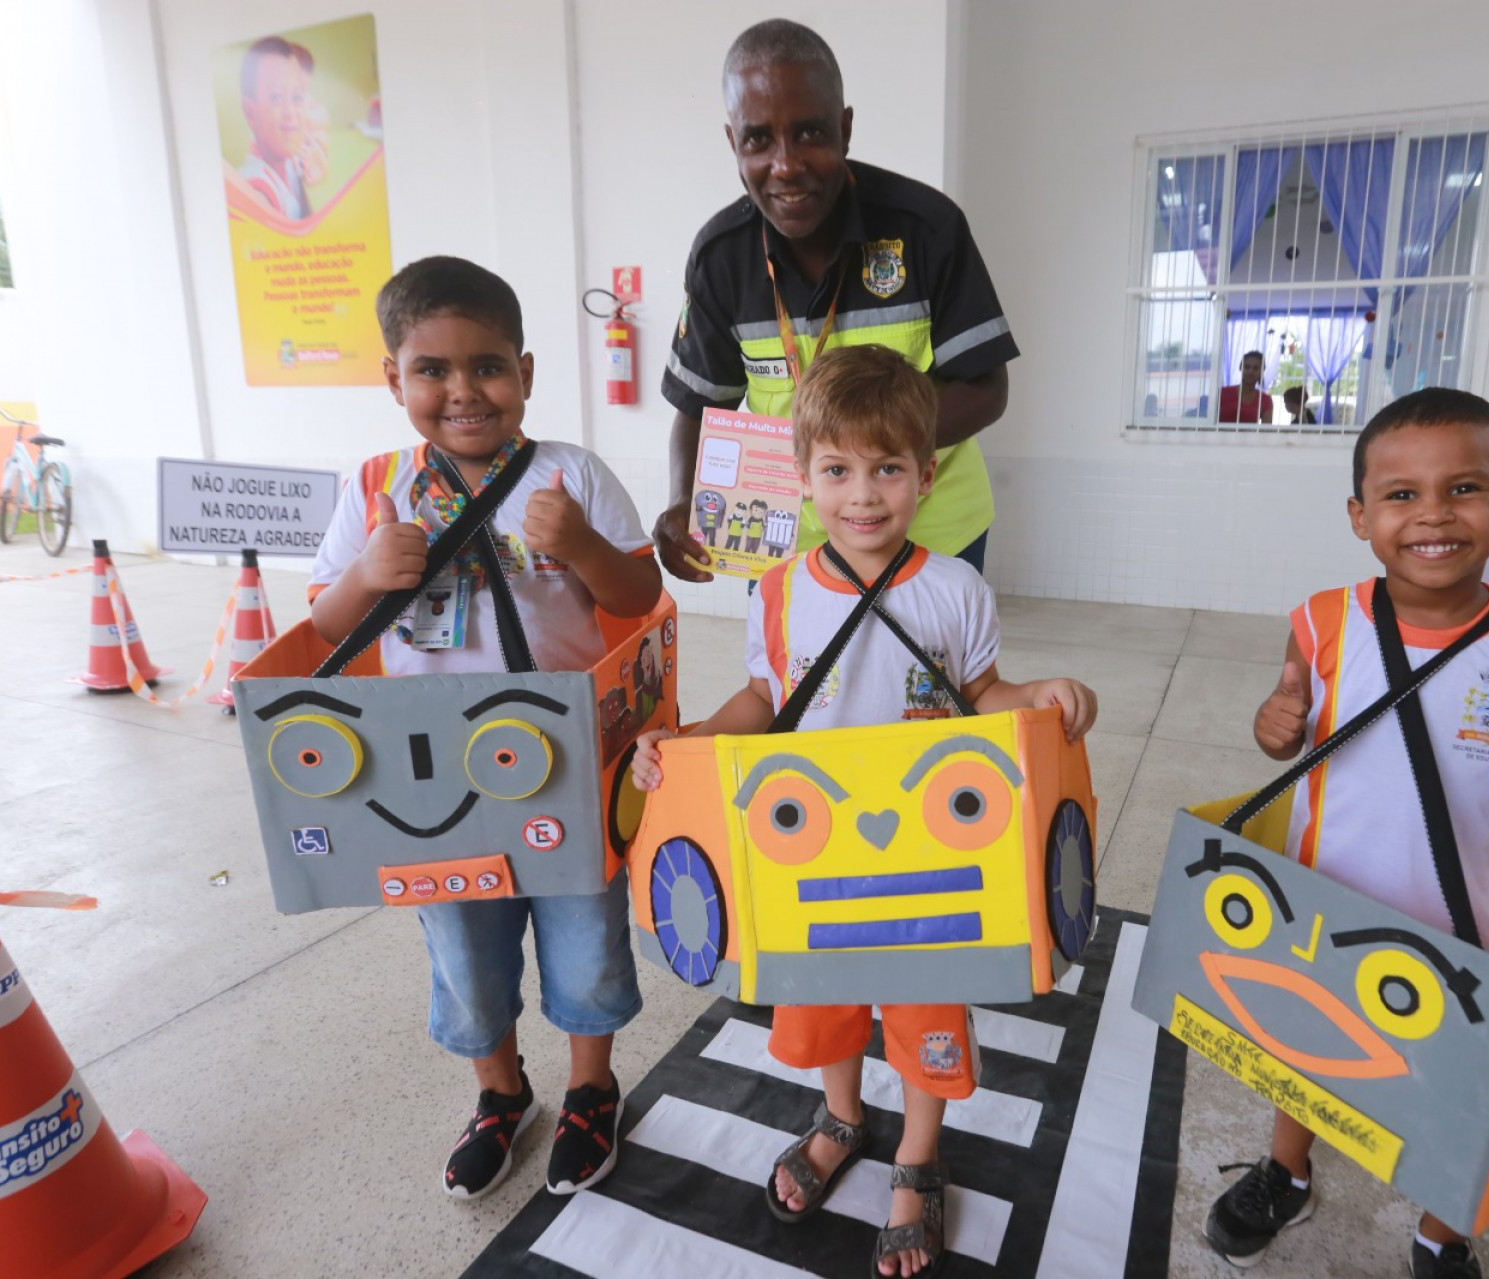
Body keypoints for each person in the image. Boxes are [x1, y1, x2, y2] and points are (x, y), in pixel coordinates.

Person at [631, 346, 1097, 1277]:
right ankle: (841, 1116)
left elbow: (983, 694)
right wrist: (690, 740)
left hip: (927, 862)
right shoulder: (778, 592)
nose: (864, 494)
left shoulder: (955, 588)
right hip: (811, 862)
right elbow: (763, 699)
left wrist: (1039, 693)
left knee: (926, 1010)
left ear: (927, 473)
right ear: (803, 477)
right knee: (823, 1004)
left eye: (887, 468)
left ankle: (918, 1157)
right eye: (838, 470)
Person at [309, 256, 663, 1202]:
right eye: (433, 369)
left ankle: (591, 1088)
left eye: (489, 366)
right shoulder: (377, 485)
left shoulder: (570, 473)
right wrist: (367, 573)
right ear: (394, 379)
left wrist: (580, 544)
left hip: (564, 761)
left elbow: (640, 593)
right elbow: (328, 624)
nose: (464, 391)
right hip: (431, 776)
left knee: (585, 937)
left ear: (526, 372)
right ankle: (500, 1093)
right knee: (464, 945)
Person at [1210, 387, 1489, 1279]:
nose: (1434, 515)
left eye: (1465, 488)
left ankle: (1441, 1230)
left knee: (1456, 1081)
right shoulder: (1322, 622)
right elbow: (1287, 730)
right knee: (1307, 1049)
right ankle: (1287, 1171)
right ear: (1360, 516)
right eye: (1402, 494)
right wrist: (1274, 726)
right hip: (1323, 905)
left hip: (1464, 919)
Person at [655, 19, 1018, 581]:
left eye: (810, 133)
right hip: (790, 550)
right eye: (758, 139)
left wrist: (862, 453)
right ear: (733, 142)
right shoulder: (720, 257)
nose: (786, 165)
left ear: (845, 129)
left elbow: (987, 388)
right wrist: (683, 499)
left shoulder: (927, 228)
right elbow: (699, 407)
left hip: (934, 537)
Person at [237, 35, 327, 221]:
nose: (291, 112)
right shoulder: (256, 193)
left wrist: (318, 167)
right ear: (250, 113)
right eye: (276, 97)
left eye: (297, 97)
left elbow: (311, 169)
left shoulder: (289, 160)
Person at [1218, 350, 1274, 424]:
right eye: (1247, 367)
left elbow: (1266, 429)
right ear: (1241, 368)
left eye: (1255, 368)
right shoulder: (1222, 393)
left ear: (1261, 371)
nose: (1250, 371)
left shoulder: (1265, 400)